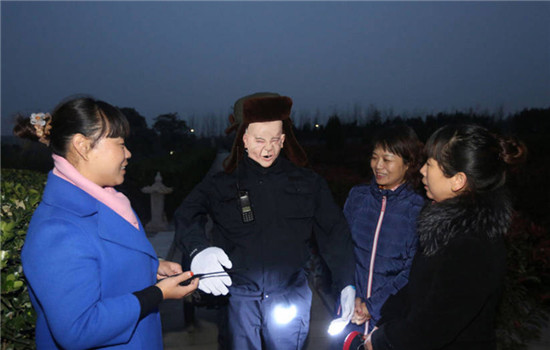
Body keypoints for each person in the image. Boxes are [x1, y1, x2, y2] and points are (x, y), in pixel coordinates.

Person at [174, 92, 356, 349]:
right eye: (259, 140)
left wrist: (347, 281)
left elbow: (334, 231)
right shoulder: (221, 184)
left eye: (274, 140)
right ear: (244, 140)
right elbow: (185, 214)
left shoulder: (307, 183)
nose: (267, 148)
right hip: (238, 298)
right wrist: (198, 250)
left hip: (289, 296)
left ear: (283, 140)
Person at [16, 97, 198, 349]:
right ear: (82, 146)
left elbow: (101, 263)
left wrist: (150, 266)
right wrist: (158, 293)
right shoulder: (57, 230)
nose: (128, 153)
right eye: (120, 144)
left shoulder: (106, 202)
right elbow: (79, 329)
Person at [364, 124, 527, 350]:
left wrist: (385, 340)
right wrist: (385, 318)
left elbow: (433, 325)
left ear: (457, 180)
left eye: (430, 164)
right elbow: (419, 290)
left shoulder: (473, 245)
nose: (421, 170)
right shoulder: (444, 227)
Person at [336, 125, 425, 347]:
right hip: (350, 315)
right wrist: (349, 293)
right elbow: (341, 250)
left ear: (408, 163)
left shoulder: (419, 209)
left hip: (389, 321)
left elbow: (412, 270)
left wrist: (372, 306)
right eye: (375, 157)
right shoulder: (357, 198)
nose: (378, 165)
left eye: (387, 159)